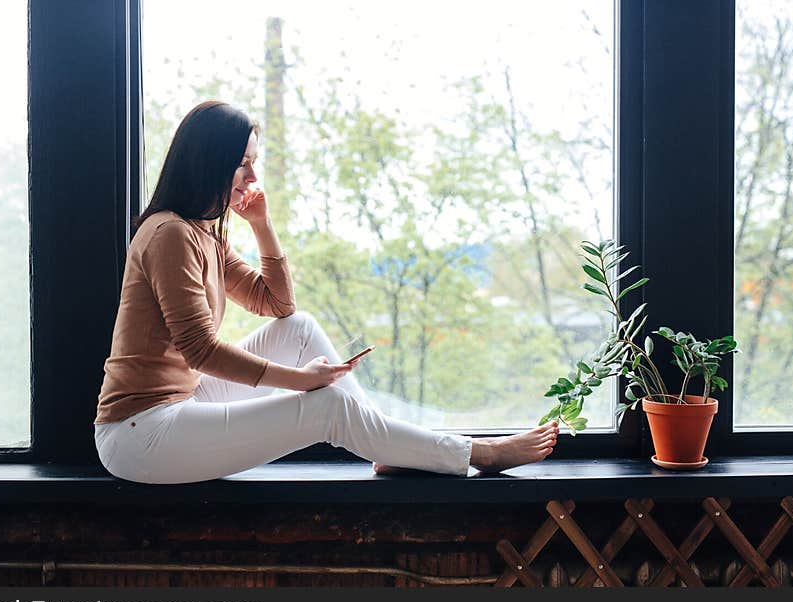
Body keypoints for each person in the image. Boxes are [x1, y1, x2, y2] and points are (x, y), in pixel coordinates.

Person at [93, 100, 558, 484]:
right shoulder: (168, 234)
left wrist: (262, 226)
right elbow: (200, 350)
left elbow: (277, 305)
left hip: (183, 404)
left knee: (299, 329)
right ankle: (476, 454)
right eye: (243, 165)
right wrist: (300, 381)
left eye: (254, 164)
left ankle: (391, 448)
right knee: (327, 405)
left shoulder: (202, 234)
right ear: (209, 164)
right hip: (140, 435)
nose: (253, 178)